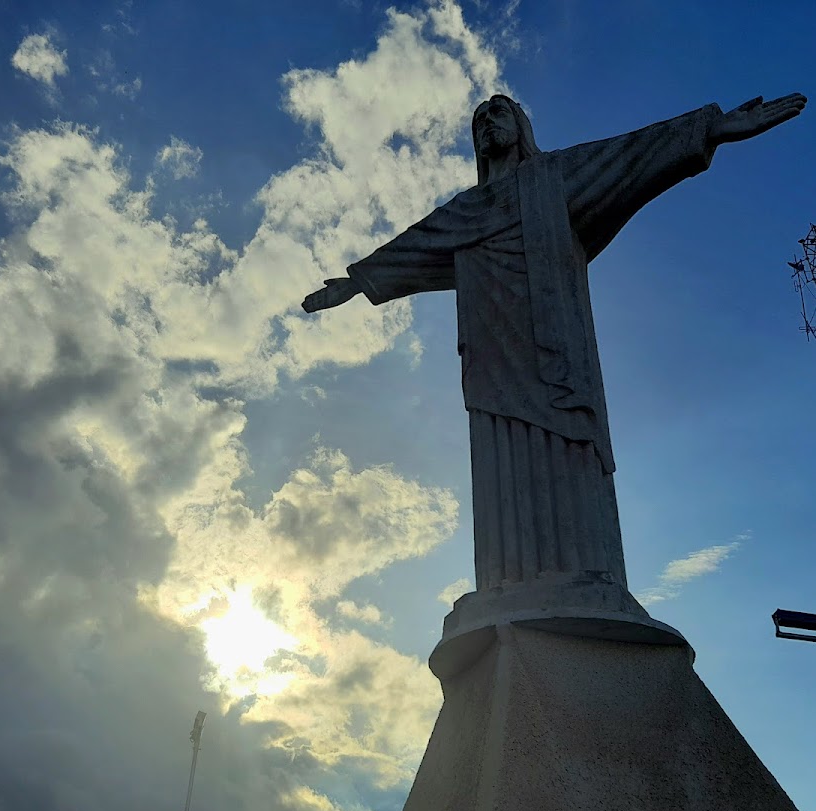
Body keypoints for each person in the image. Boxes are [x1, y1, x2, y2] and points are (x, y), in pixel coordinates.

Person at [302, 92, 806, 595]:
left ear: (521, 125)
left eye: (498, 112)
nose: (487, 123)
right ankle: (507, 585)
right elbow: (416, 244)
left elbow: (630, 156)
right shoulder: (466, 210)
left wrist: (709, 130)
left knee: (568, 441)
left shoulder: (555, 177)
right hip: (492, 359)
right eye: (478, 120)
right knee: (500, 458)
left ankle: (584, 581)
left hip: (557, 351)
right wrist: (356, 282)